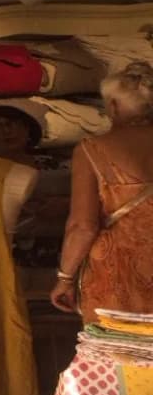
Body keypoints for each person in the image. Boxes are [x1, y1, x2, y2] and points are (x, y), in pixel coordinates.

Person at [52, 62, 153, 323]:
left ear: (114, 105)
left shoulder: (92, 150)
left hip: (119, 278)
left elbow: (83, 226)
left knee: (122, 358)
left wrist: (65, 278)